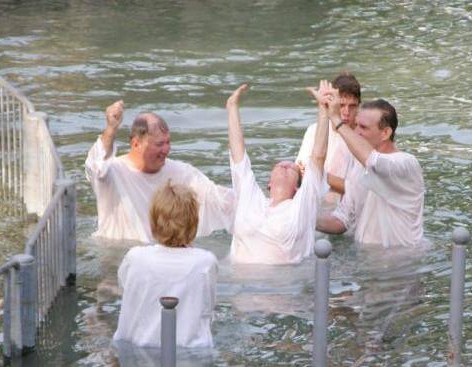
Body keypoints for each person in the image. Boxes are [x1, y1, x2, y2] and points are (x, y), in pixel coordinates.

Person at [85, 101, 233, 244]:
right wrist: (111, 129)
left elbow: (216, 198)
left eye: (168, 142)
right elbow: (95, 164)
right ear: (136, 144)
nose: (166, 149)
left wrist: (246, 202)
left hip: (161, 255)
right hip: (115, 255)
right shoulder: (112, 172)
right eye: (159, 144)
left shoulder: (181, 172)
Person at [225, 83, 330, 264]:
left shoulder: (301, 207)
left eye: (292, 169)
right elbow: (238, 155)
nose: (285, 165)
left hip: (283, 286)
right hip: (240, 285)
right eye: (279, 165)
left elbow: (318, 157)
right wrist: (232, 107)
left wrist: (323, 110)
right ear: (269, 182)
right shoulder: (252, 199)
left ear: (297, 187)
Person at [114, 182, 218, 348]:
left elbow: (125, 289)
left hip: (135, 349)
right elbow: (209, 306)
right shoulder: (205, 262)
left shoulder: (134, 258)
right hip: (191, 352)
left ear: (153, 222)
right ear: (194, 223)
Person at [316, 98, 425, 247]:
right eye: (356, 126)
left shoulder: (405, 164)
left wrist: (336, 119)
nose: (356, 132)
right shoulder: (359, 167)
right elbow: (341, 220)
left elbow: (373, 161)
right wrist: (302, 216)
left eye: (363, 127)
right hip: (365, 260)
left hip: (402, 262)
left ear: (385, 133)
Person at [296, 72, 361, 200]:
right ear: (332, 103)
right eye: (341, 105)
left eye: (352, 106)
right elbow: (301, 172)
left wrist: (320, 174)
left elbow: (359, 191)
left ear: (359, 106)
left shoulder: (363, 137)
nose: (346, 112)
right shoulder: (314, 130)